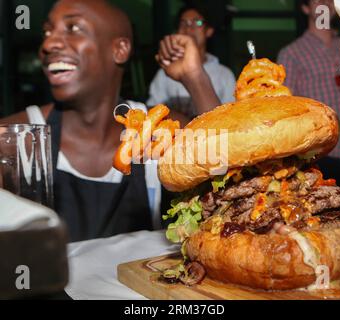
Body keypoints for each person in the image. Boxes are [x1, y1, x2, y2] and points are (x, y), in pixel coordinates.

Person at [0, 0, 220, 241]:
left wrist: (195, 78)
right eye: (47, 32)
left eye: (73, 28)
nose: (48, 43)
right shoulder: (17, 136)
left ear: (120, 49)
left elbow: (226, 164)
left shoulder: (156, 130)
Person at [277, 0, 340, 187]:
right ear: (305, 7)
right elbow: (285, 108)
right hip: (321, 155)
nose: (325, 2)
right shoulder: (291, 53)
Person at [147, 3, 236, 120]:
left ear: (209, 31)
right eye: (183, 23)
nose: (188, 28)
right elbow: (153, 113)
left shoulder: (225, 75)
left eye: (197, 22)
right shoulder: (165, 73)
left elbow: (231, 120)